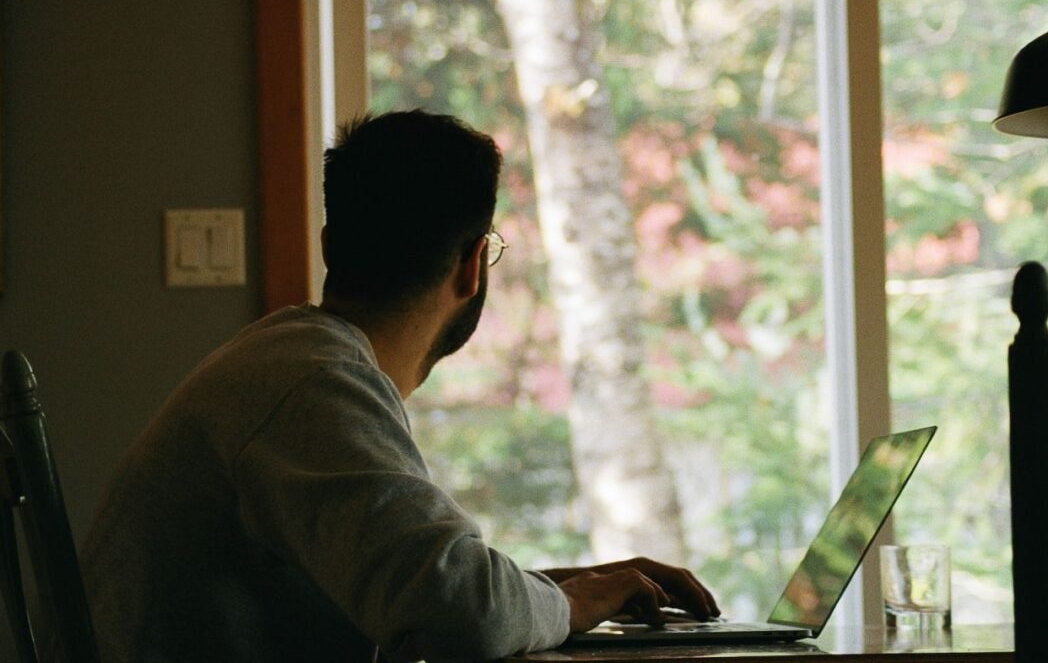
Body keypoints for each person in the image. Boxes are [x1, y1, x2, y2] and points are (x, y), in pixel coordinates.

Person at [80, 109, 720, 662]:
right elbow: (458, 611)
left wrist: (561, 591)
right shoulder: (315, 382)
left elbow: (424, 587)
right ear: (471, 266)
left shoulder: (290, 361)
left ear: (331, 246)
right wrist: (567, 602)